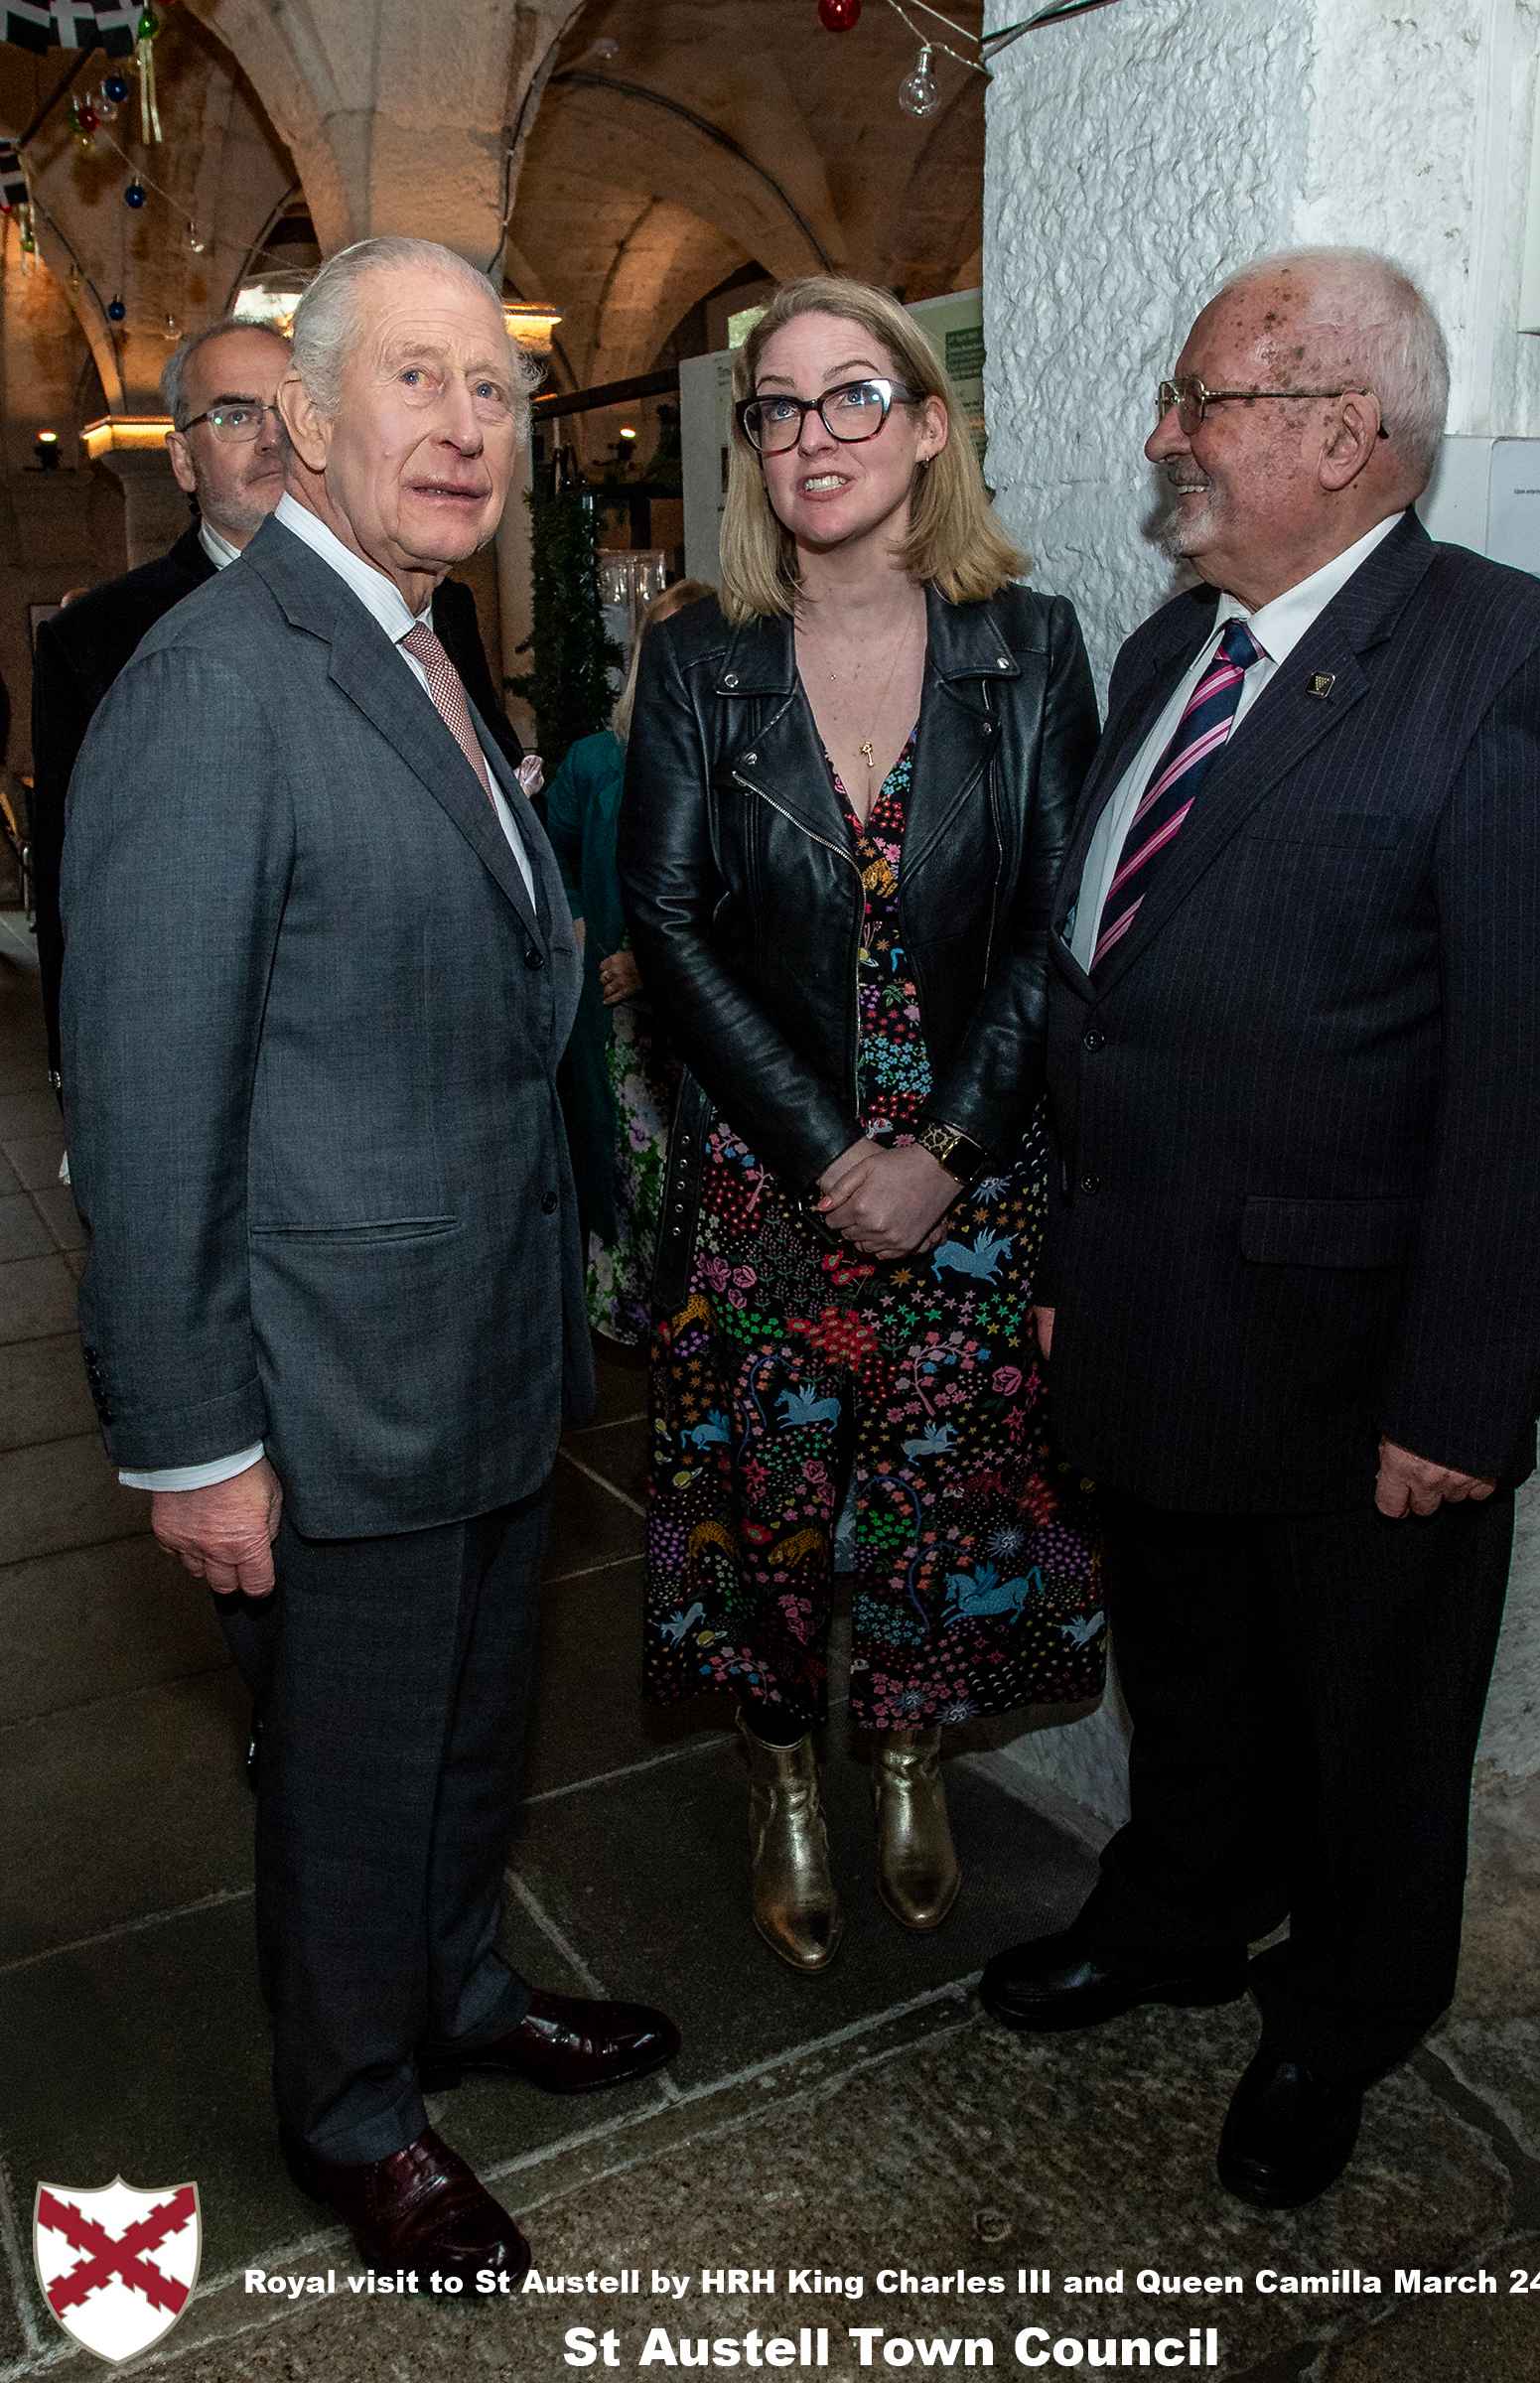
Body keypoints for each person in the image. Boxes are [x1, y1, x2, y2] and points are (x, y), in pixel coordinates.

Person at [980, 247, 1540, 2209]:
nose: (1161, 436)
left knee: (1370, 1728)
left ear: (1343, 431)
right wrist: (1065, 1266)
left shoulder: (1512, 666)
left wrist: (1460, 1396)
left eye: (1200, 398)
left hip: (1358, 1363)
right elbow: (1101, 996)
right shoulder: (1167, 656)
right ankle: (1178, 1916)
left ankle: (1342, 2017)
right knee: (1185, 1671)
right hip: (1149, 1313)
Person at [61, 235, 679, 2293]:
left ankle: (459, 1999)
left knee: (469, 1734)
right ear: (305, 422)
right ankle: (349, 2112)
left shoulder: (417, 638)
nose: (465, 424)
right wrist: (191, 1442)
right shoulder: (217, 682)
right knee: (349, 1775)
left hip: (475, 1345)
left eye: (493, 387)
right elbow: (151, 1102)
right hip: (328, 1386)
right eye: (414, 380)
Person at [620, 275, 1106, 1975]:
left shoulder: (1027, 645)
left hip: (972, 1161)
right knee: (762, 1499)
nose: (812, 436)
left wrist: (944, 1153)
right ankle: (781, 1771)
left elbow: (1057, 924)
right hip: (774, 1167)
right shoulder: (701, 656)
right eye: (778, 407)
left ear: (926, 426)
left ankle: (904, 1755)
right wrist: (833, 1155)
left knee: (942, 1486)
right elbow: (667, 922)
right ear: (749, 445)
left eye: (853, 397)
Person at [29, 314, 517, 1094]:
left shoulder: (429, 602)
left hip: (437, 1043)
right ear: (183, 460)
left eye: (289, 406)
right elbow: (75, 886)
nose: (270, 438)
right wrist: (79, 1077)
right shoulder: (102, 638)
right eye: (234, 415)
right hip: (247, 1067)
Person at [543, 577, 714, 1345]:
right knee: (627, 1163)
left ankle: (697, 1320)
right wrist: (579, 927)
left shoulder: (744, 753)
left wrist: (655, 963)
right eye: (663, 642)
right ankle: (635, 1316)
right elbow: (553, 855)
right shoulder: (595, 759)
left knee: (695, 1171)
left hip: (703, 1012)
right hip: (614, 1014)